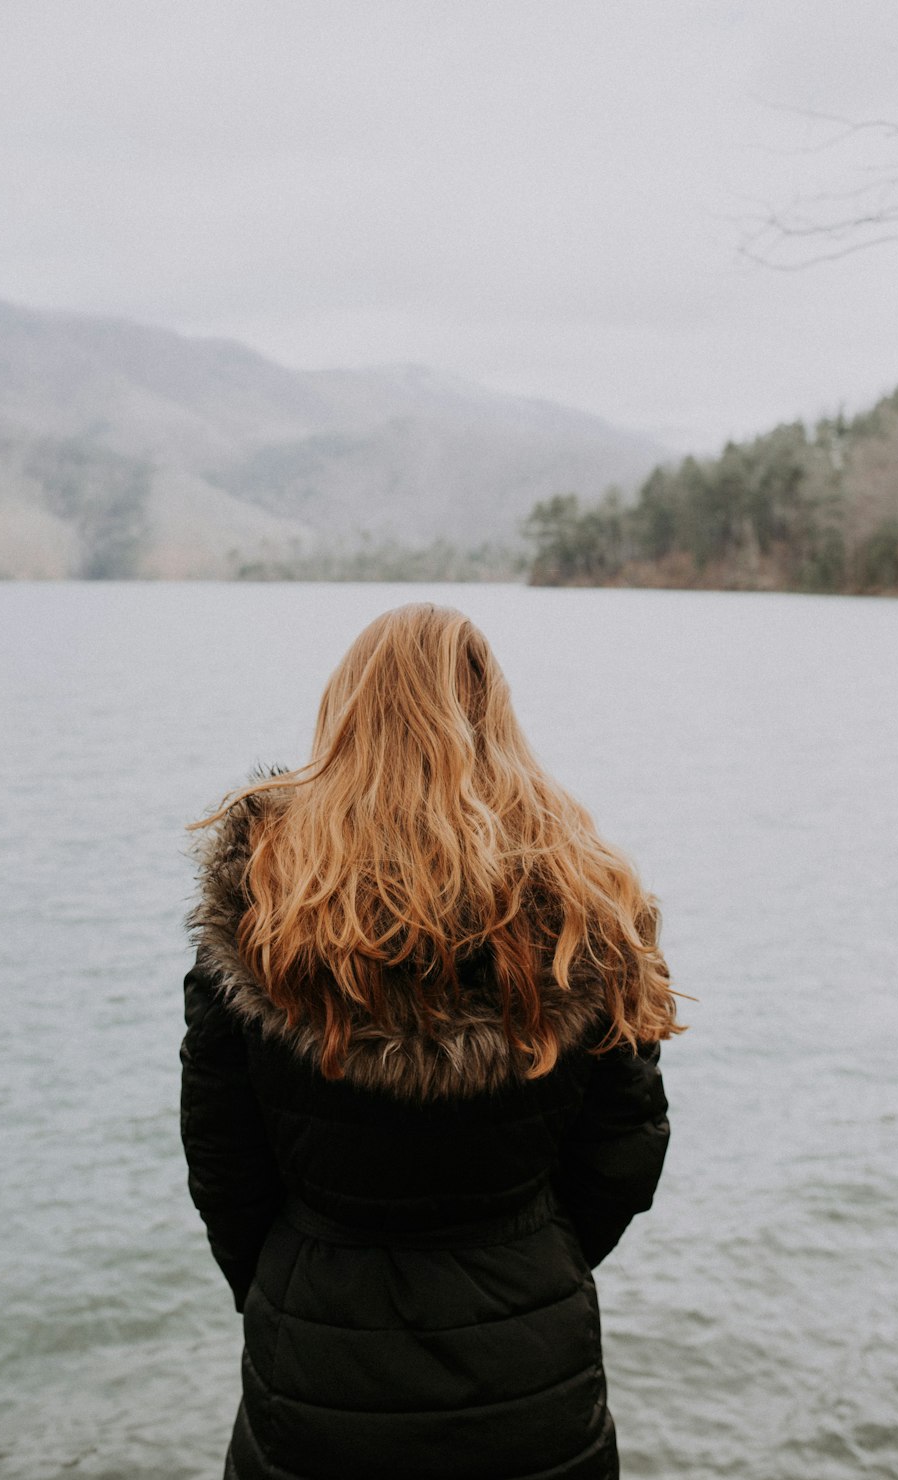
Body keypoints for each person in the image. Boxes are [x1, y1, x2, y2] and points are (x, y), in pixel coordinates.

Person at [181, 603, 681, 1480]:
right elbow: (624, 1152)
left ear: (345, 713)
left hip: (314, 1360)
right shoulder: (583, 908)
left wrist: (286, 1279)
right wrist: (537, 1253)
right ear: (496, 718)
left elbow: (222, 1156)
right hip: (531, 1362)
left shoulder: (266, 908)